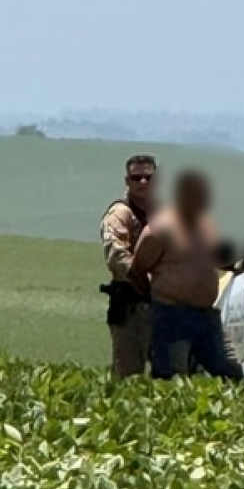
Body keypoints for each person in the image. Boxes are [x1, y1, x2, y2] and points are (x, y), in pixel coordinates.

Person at [129, 169, 242, 381]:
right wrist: (155, 299)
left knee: (230, 371)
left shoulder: (207, 223)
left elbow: (220, 258)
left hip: (207, 316)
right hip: (172, 315)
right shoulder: (159, 228)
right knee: (171, 377)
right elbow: (137, 270)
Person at [99, 155, 156, 378]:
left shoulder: (166, 213)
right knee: (128, 376)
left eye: (148, 177)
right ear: (127, 181)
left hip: (165, 305)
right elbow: (116, 255)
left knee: (171, 378)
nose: (143, 182)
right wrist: (143, 278)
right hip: (132, 305)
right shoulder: (119, 214)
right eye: (136, 177)